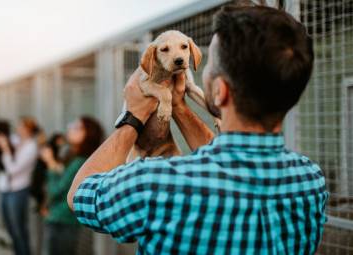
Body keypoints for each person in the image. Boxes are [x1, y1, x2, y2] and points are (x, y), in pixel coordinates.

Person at [67, 5, 328, 255]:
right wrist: (178, 105)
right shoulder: (310, 181)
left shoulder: (154, 183)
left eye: (209, 66)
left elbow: (79, 195)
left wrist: (134, 117)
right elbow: (229, 166)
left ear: (220, 91)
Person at [41, 116, 104, 255]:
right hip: (59, 219)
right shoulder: (73, 156)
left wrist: (50, 163)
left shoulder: (80, 161)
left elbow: (56, 190)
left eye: (78, 128)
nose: (71, 129)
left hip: (64, 222)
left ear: (89, 135)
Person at [0, 117, 39, 255]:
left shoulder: (32, 147)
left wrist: (6, 149)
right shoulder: (16, 140)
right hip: (5, 189)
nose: (18, 128)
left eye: (22, 126)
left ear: (29, 130)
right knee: (10, 227)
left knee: (19, 229)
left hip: (19, 190)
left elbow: (13, 169)